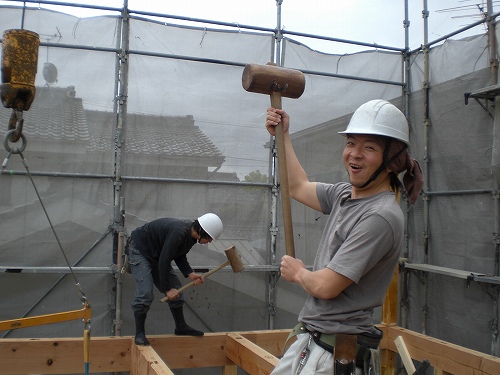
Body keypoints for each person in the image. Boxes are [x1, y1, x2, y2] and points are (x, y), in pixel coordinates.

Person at [265, 99, 423, 374]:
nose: (355, 154)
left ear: (391, 161)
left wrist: (299, 272)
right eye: (351, 143)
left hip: (331, 355)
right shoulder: (344, 195)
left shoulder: (379, 217)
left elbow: (327, 286)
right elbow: (297, 186)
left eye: (369, 147)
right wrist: (284, 135)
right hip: (313, 341)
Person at [128, 213, 223, 346]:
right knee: (145, 293)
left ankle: (181, 327)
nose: (210, 242)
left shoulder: (190, 237)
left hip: (157, 255)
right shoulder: (178, 232)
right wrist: (167, 289)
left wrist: (190, 273)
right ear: (202, 231)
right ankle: (139, 334)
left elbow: (179, 255)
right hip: (140, 250)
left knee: (177, 291)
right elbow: (164, 261)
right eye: (209, 238)